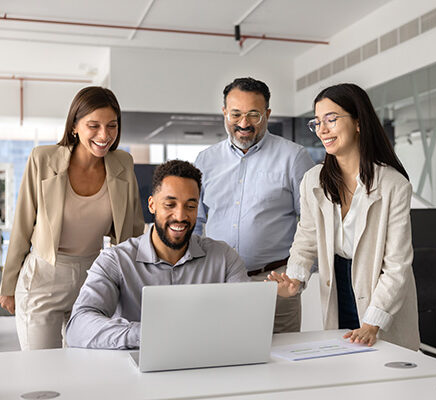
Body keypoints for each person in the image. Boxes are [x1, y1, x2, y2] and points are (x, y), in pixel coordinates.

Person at [267, 83, 420, 350]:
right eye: (317, 122)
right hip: (337, 287)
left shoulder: (394, 185)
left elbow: (397, 266)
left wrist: (372, 322)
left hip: (380, 293)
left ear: (358, 123)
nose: (322, 129)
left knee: (383, 379)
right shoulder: (313, 180)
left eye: (331, 119)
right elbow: (306, 237)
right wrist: (295, 278)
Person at [0, 87, 144, 350]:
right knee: (42, 371)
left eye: (112, 125)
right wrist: (7, 286)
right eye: (94, 125)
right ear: (75, 126)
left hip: (94, 279)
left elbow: (132, 232)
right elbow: (22, 226)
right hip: (44, 279)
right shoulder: (42, 159)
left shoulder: (123, 163)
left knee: (85, 369)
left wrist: (135, 286)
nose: (104, 135)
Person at [66, 160, 249, 349]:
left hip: (207, 365)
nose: (180, 216)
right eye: (170, 204)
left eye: (190, 206)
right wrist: (149, 333)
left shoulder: (224, 257)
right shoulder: (116, 260)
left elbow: (246, 319)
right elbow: (78, 326)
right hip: (136, 370)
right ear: (152, 205)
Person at [194, 77, 314, 333]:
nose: (243, 123)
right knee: (220, 356)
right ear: (225, 112)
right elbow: (195, 221)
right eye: (235, 114)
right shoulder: (206, 160)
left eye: (253, 115)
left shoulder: (294, 157)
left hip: (274, 283)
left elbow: (312, 223)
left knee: (281, 363)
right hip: (219, 280)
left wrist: (297, 277)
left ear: (267, 114)